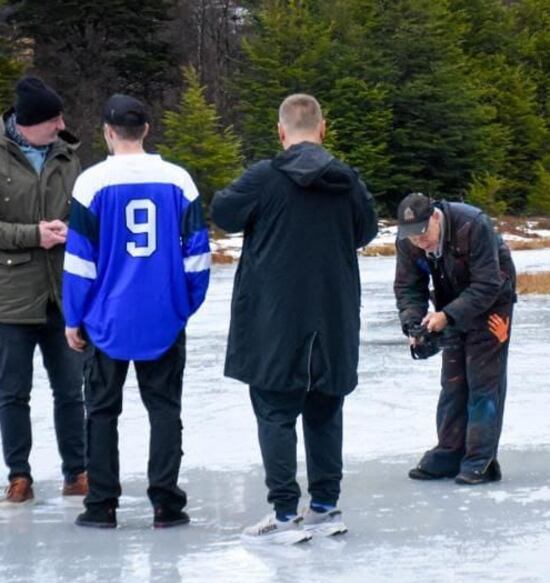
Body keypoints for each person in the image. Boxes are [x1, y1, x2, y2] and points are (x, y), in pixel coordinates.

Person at [211, 94, 377, 542]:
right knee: (325, 408)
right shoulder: (347, 180)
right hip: (333, 312)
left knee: (275, 411)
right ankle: (324, 506)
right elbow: (366, 231)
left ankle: (285, 513)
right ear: (322, 129)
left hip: (274, 316)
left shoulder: (264, 177)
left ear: (281, 131)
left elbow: (223, 212)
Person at [63, 94, 210, 527]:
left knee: (101, 411)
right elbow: (198, 255)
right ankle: (166, 503)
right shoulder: (179, 180)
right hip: (163, 314)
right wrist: (184, 304)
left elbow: (80, 260)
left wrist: (73, 316)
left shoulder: (91, 183)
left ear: (108, 132)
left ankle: (101, 505)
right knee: (164, 409)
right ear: (146, 129)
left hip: (105, 318)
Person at [0, 76, 86, 506]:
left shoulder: (68, 156)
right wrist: (33, 235)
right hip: (11, 298)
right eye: (54, 119)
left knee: (71, 390)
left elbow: (86, 213)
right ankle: (19, 475)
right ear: (29, 123)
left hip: (63, 295)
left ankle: (78, 472)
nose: (62, 125)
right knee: (12, 393)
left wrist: (72, 230)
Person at [394, 193, 516, 485]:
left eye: (423, 233)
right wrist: (414, 325)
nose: (420, 242)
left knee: (482, 380)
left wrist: (447, 315)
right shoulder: (408, 241)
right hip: (450, 301)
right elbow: (408, 286)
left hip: (493, 301)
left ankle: (480, 460)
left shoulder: (472, 224)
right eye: (413, 237)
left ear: (435, 217)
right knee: (453, 382)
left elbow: (487, 283)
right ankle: (449, 453)